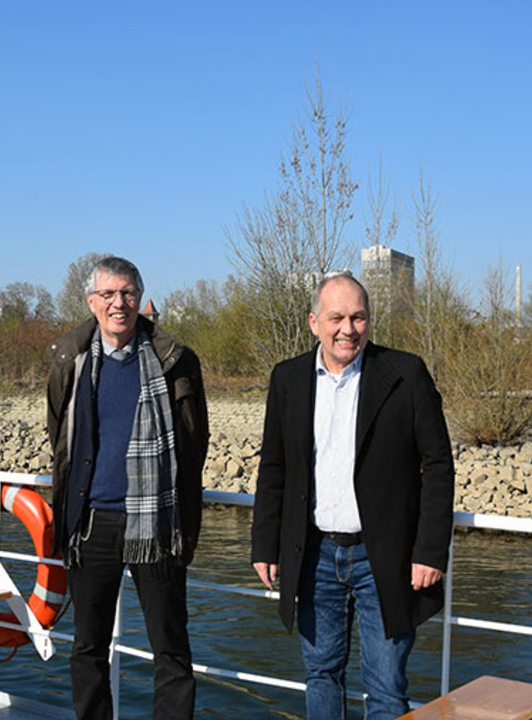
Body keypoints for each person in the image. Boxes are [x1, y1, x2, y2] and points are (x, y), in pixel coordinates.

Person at [250, 271, 454, 720]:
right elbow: (275, 469)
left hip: (385, 556)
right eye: (337, 317)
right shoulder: (288, 379)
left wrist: (431, 551)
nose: (348, 328)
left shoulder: (405, 374)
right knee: (321, 674)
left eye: (358, 317)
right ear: (313, 322)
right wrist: (265, 545)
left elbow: (438, 464)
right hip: (315, 555)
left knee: (386, 688)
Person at [47, 256, 210, 720]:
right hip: (92, 523)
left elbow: (195, 440)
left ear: (140, 298)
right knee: (88, 648)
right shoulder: (70, 359)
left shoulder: (175, 360)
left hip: (157, 524)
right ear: (91, 302)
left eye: (128, 293)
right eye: (109, 294)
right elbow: (60, 434)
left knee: (171, 648)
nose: (119, 303)